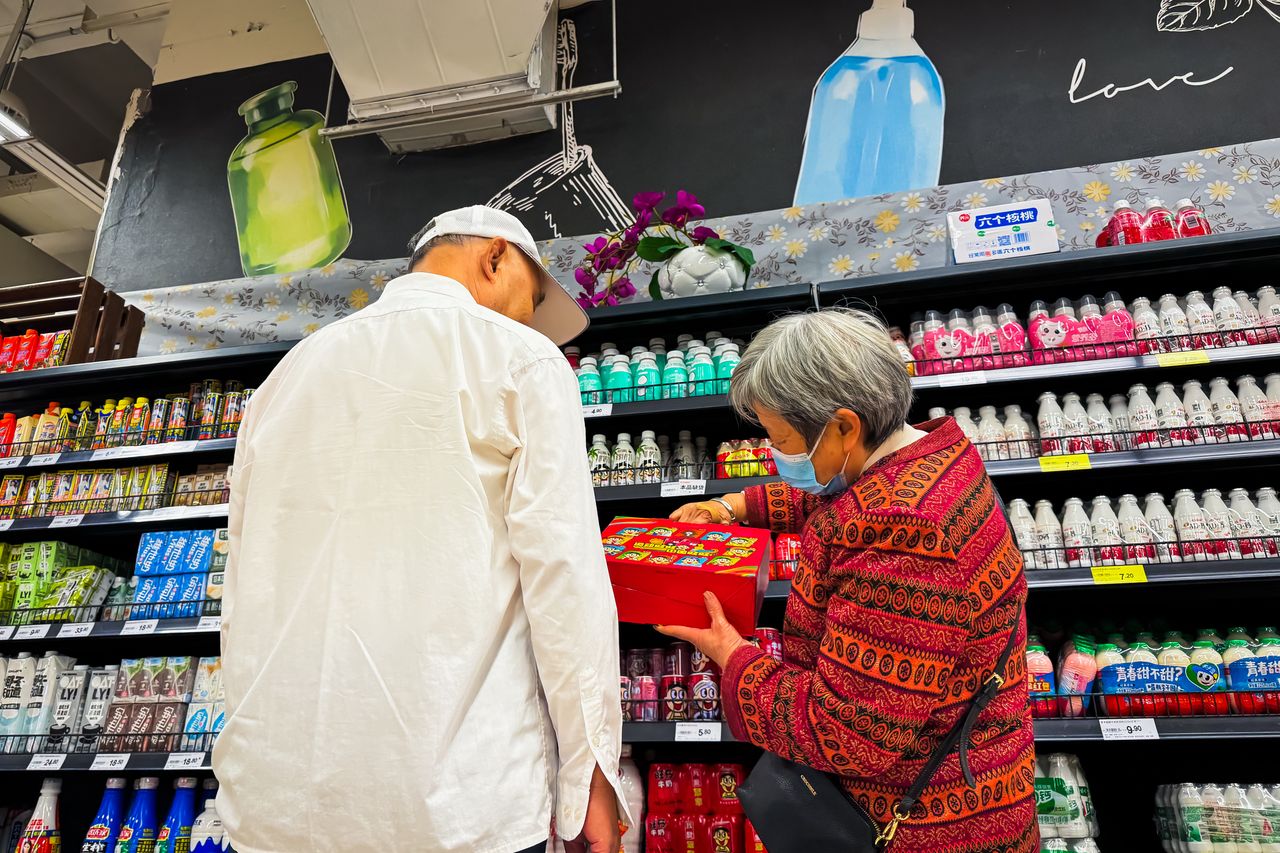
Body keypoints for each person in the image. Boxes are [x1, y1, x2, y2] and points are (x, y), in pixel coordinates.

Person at [217, 206, 626, 853]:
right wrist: (593, 771)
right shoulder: (522, 360)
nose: (527, 320)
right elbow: (564, 577)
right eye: (532, 299)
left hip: (279, 803)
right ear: (494, 257)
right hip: (455, 802)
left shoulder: (287, 377)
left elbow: (242, 595)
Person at [662, 309, 1037, 853]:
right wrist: (737, 504)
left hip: (923, 825)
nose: (777, 454)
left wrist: (733, 655)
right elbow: (842, 488)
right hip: (981, 781)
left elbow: (848, 735)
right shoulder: (934, 453)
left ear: (842, 425)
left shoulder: (905, 531)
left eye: (782, 438)